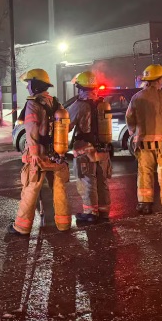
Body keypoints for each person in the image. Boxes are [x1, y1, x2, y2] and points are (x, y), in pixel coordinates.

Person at [8, 69, 72, 236]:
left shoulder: (33, 104)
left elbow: (31, 129)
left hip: (39, 156)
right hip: (56, 155)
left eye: (29, 83)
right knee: (59, 190)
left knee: (30, 189)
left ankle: (21, 227)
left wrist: (35, 153)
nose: (27, 87)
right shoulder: (55, 103)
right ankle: (64, 224)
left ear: (35, 85)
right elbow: (66, 127)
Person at [126, 64, 162, 215]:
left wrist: (134, 132)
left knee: (145, 173)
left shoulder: (137, 97)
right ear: (159, 79)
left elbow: (129, 118)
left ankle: (145, 203)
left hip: (144, 143)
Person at [68, 71, 111, 224]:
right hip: (103, 150)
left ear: (80, 88)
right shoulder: (103, 104)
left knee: (87, 181)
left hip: (85, 150)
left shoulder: (78, 106)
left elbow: (66, 126)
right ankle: (104, 211)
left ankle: (90, 212)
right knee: (102, 181)